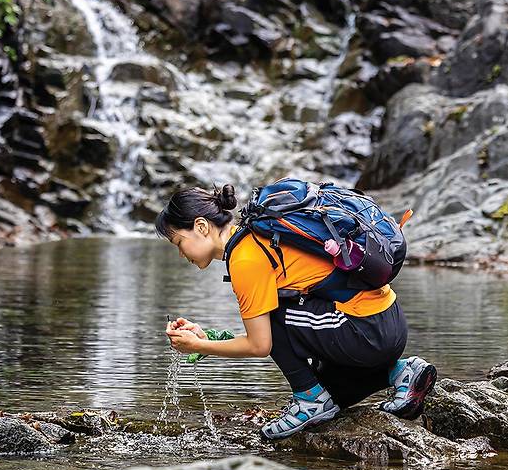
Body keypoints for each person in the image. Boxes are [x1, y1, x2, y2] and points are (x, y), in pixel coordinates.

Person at [156, 182, 436, 441]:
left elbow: (260, 343)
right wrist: (208, 340)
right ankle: (400, 373)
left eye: (179, 243)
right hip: (383, 323)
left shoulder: (246, 257)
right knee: (332, 393)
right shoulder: (259, 234)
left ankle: (308, 399)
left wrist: (199, 345)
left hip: (366, 331)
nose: (182, 254)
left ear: (202, 226)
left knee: (277, 316)